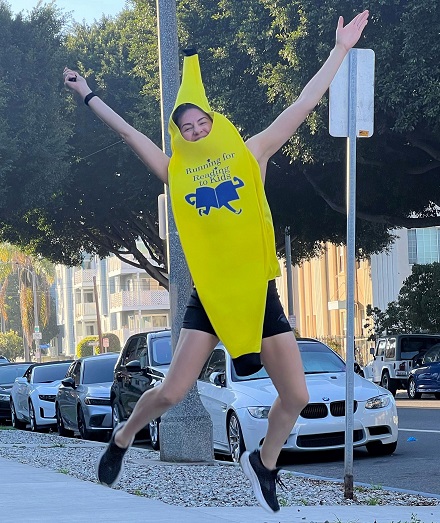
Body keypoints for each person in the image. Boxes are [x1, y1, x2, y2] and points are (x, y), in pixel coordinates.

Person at [63, 9, 369, 513]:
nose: (197, 129)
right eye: (186, 126)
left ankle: (264, 463)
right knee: (170, 392)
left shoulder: (253, 154)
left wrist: (340, 50)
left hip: (258, 294)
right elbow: (127, 134)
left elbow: (303, 102)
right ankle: (123, 435)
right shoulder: (172, 171)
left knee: (295, 396)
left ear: (216, 121)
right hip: (210, 298)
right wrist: (88, 93)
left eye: (202, 120)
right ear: (178, 135)